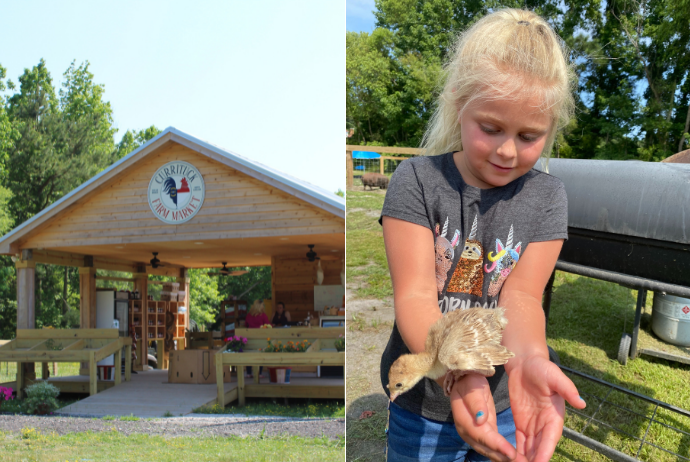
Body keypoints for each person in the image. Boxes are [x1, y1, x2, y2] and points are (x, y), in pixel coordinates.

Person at [380, 9, 586, 462]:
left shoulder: (549, 197)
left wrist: (532, 359)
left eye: (529, 136)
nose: (507, 150)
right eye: (490, 129)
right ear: (459, 102)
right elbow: (415, 296)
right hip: (424, 410)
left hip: (506, 401)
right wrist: (458, 371)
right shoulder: (415, 181)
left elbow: (523, 298)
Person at [244, 299, 269, 378]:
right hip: (260, 338)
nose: (263, 307)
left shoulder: (249, 315)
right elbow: (268, 325)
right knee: (260, 355)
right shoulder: (263, 315)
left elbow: (245, 325)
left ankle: (248, 373)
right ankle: (259, 373)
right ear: (260, 306)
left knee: (249, 355)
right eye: (262, 306)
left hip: (250, 338)